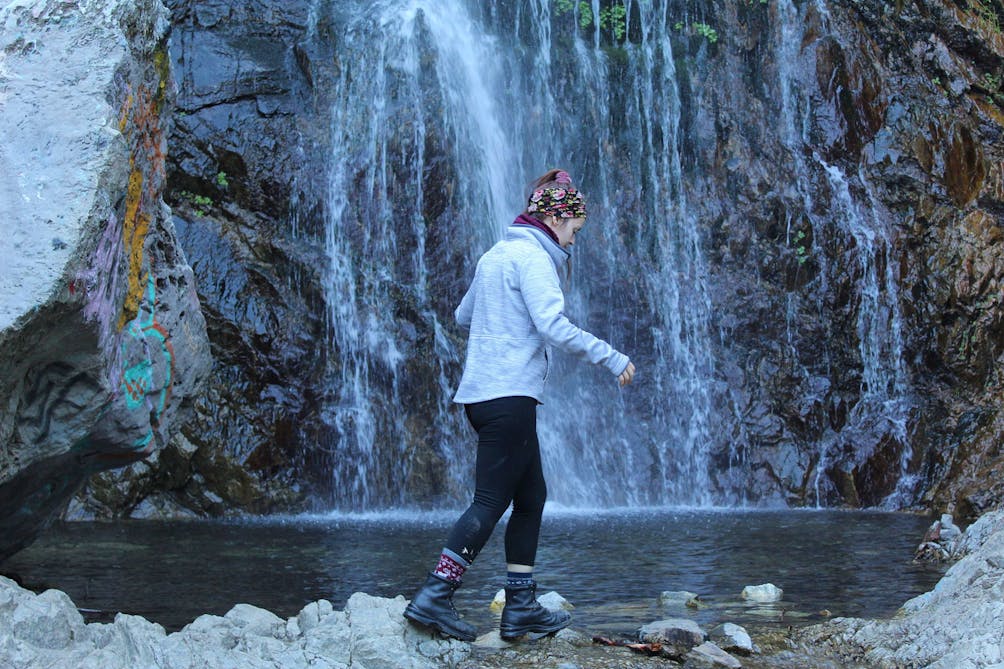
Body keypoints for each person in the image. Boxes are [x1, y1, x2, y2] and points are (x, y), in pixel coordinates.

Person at [403, 168, 636, 642]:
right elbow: (552, 325)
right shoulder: (533, 259)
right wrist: (612, 358)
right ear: (554, 219)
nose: (574, 241)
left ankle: (520, 607)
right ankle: (434, 595)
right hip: (509, 397)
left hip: (484, 397)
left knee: (530, 499)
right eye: (574, 230)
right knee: (490, 503)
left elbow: (462, 314)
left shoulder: (496, 255)